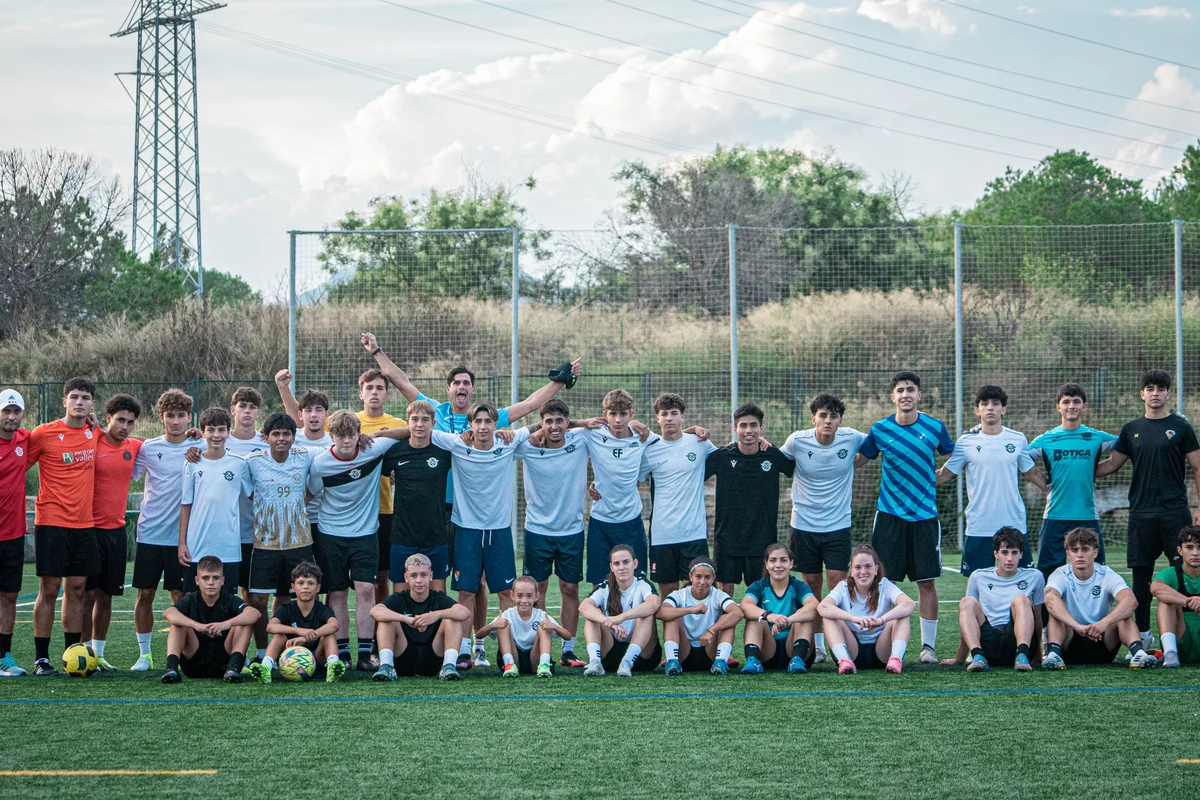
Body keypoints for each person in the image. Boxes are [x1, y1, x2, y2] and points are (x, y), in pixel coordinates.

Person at [363, 332, 579, 667]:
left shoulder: (501, 431)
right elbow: (408, 406)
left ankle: (499, 649)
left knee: (487, 586)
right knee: (457, 584)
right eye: (456, 383)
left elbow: (535, 409)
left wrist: (561, 384)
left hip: (487, 521)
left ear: (474, 391)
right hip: (446, 513)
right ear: (448, 389)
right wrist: (376, 355)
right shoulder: (439, 419)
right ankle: (450, 647)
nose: (461, 388)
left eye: (467, 383)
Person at [1096, 369, 1200, 651]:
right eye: (1150, 388)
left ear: (1168, 394)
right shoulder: (1131, 429)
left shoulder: (1181, 427)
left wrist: (1199, 506)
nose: (1155, 393)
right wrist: (1075, 471)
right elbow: (1112, 464)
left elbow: (1197, 466)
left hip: (1174, 512)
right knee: (1141, 579)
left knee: (1182, 574)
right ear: (1142, 393)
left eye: (1161, 388)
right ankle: (1143, 636)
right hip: (1141, 514)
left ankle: (1183, 638)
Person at [858, 371, 954, 665]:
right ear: (893, 397)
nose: (906, 395)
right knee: (883, 582)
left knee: (927, 583)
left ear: (919, 395)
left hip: (925, 517)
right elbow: (858, 459)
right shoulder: (880, 429)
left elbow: (956, 454)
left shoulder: (935, 427)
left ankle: (928, 648)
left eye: (911, 390)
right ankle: (880, 643)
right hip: (889, 517)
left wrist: (943, 475)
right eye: (900, 390)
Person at [425, 402, 527, 670]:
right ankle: (464, 651)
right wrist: (376, 435)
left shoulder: (508, 443)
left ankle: (503, 653)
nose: (483, 426)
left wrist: (582, 424)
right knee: (466, 592)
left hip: (499, 530)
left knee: (506, 592)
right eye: (478, 421)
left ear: (496, 425)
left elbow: (541, 425)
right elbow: (415, 427)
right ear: (470, 425)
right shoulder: (457, 443)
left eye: (488, 421)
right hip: (466, 529)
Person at [306, 409, 402, 670]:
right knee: (336, 594)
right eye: (340, 435)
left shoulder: (373, 448)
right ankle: (343, 655)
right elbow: (309, 495)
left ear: (358, 434)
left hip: (365, 534)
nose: (346, 441)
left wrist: (377, 434)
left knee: (366, 590)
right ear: (332, 436)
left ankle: (363, 655)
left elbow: (408, 431)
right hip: (331, 535)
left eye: (351, 434)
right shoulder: (321, 464)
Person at [779, 393, 867, 663]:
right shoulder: (797, 440)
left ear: (840, 420)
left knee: (838, 585)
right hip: (804, 525)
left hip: (838, 525)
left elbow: (880, 443)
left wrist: (852, 465)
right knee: (811, 586)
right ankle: (816, 647)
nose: (828, 421)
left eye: (833, 416)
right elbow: (778, 461)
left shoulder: (853, 438)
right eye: (823, 415)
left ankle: (838, 644)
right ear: (813, 418)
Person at [26, 378, 100, 677]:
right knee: (49, 589)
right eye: (74, 397)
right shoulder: (43, 433)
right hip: (52, 522)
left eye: (85, 397)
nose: (79, 402)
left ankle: (74, 655)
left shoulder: (94, 433)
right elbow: (18, 465)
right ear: (64, 402)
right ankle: (41, 659)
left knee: (78, 589)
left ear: (92, 403)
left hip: (85, 524)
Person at [937, 386, 1046, 576]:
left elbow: (1032, 473)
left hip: (1013, 524)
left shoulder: (1017, 439)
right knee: (977, 586)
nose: (990, 408)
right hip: (979, 525)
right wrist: (913, 481)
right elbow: (944, 474)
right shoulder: (965, 442)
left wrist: (1059, 488)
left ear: (1003, 409)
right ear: (977, 410)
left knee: (1023, 584)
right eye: (984, 404)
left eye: (996, 404)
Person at [129, 389, 201, 672]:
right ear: (161, 418)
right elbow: (127, 466)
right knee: (144, 595)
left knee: (179, 597)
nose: (175, 421)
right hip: (149, 534)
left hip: (182, 538)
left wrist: (201, 437)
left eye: (181, 415)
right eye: (170, 416)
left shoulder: (200, 446)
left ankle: (183, 654)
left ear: (188, 418)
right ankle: (144, 655)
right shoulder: (148, 448)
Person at [515, 399, 589, 667]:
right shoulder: (528, 444)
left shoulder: (581, 440)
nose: (554, 426)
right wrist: (533, 430)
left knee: (570, 587)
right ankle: (540, 645)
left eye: (560, 421)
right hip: (537, 529)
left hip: (571, 529)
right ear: (541, 422)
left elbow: (617, 429)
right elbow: (498, 442)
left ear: (567, 423)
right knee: (539, 588)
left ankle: (568, 650)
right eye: (548, 421)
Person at [244, 413, 317, 662]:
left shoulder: (306, 456)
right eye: (275, 434)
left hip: (300, 542)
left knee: (291, 598)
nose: (281, 438)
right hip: (266, 543)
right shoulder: (252, 461)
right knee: (257, 599)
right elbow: (247, 493)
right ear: (265, 437)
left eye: (287, 434)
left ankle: (290, 652)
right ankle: (263, 653)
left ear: (294, 437)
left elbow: (335, 452)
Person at [1026, 383, 1118, 581]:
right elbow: (1021, 458)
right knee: (1047, 574)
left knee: (1097, 573)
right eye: (1066, 402)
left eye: (1076, 402)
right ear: (1058, 407)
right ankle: (1048, 614)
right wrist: (1044, 483)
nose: (1071, 406)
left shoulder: (1096, 437)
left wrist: (1091, 472)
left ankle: (1095, 613)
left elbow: (1129, 443)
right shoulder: (1046, 439)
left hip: (1087, 516)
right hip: (1055, 516)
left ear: (1084, 406)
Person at [706, 403, 795, 597]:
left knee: (760, 592)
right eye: (743, 425)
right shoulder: (723, 456)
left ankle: (758, 627)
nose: (748, 430)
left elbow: (795, 468)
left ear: (761, 429)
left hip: (761, 539)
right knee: (725, 592)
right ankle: (725, 628)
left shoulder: (772, 454)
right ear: (735, 429)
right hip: (727, 537)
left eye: (754, 425)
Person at [84, 394, 143, 671]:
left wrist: (193, 436)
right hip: (88, 530)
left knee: (106, 597)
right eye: (120, 420)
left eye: (130, 422)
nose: (125, 426)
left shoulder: (135, 446)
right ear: (108, 418)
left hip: (116, 532)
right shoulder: (92, 441)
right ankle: (81, 653)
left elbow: (168, 445)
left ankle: (98, 654)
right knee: (86, 595)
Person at [638, 393, 717, 597]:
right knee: (668, 592)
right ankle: (672, 631)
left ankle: (701, 630)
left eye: (674, 413)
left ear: (682, 416)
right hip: (662, 533)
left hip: (694, 533)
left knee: (698, 591)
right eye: (664, 414)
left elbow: (729, 459)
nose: (669, 418)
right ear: (658, 418)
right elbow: (631, 478)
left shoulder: (699, 443)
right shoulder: (649, 450)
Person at [1042, 527, 1154, 669]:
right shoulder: (1060, 574)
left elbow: (1130, 601)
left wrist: (1104, 623)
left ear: (1095, 552)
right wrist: (1077, 626)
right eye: (1075, 550)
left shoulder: (1106, 574)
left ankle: (1138, 654)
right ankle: (1053, 655)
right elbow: (1050, 599)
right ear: (1068, 553)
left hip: (1102, 641)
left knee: (1123, 614)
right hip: (1069, 642)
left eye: (1085, 549)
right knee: (1055, 614)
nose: (1079, 555)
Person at [942, 527, 1045, 672]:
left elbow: (1037, 618)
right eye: (1004, 552)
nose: (1009, 558)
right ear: (996, 553)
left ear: (1021, 554)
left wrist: (1037, 656)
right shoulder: (978, 576)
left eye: (1014, 553)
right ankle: (977, 657)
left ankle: (1022, 656)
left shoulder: (1035, 576)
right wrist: (960, 658)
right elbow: (967, 616)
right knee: (967, 602)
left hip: (1016, 641)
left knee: (1021, 599)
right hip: (989, 642)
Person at [582, 390, 656, 585]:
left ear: (631, 414)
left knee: (637, 583)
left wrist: (695, 430)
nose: (617, 419)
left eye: (623, 414)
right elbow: (557, 426)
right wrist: (580, 423)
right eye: (613, 413)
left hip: (631, 521)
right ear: (604, 414)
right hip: (600, 521)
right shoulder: (593, 435)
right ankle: (605, 617)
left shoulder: (643, 437)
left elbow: (672, 438)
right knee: (600, 583)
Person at [381, 400, 453, 594]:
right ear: (407, 422)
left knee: (438, 595)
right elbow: (383, 473)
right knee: (401, 595)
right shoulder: (394, 452)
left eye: (425, 419)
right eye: (415, 419)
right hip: (402, 535)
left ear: (433, 423)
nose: (420, 424)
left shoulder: (444, 453)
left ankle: (436, 626)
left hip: (435, 535)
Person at [179, 408, 250, 593]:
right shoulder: (192, 463)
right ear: (203, 432)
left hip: (229, 548)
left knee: (226, 606)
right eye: (211, 430)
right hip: (197, 546)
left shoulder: (240, 463)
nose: (216, 435)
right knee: (194, 604)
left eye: (221, 430)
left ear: (228, 432)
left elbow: (253, 496)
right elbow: (186, 505)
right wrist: (182, 543)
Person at [370, 553, 472, 681]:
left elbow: (464, 612)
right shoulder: (399, 598)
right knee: (387, 619)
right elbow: (375, 611)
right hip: (403, 656)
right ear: (406, 577)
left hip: (433, 658)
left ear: (431, 576)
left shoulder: (438, 598)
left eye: (423, 575)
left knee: (452, 618)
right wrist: (406, 619)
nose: (419, 580)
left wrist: (436, 615)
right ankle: (387, 666)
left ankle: (448, 666)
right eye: (413, 575)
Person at [161, 556, 260, 683]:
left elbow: (254, 613)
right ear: (197, 580)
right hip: (193, 662)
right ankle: (171, 669)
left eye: (216, 578)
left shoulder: (229, 599)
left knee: (243, 622)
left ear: (223, 580)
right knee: (178, 623)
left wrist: (225, 624)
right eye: (205, 578)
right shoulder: (191, 599)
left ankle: (233, 668)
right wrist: (197, 626)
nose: (211, 583)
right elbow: (169, 612)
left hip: (224, 661)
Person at [819, 545, 915, 675]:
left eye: (868, 566)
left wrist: (882, 620)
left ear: (876, 569)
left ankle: (895, 659)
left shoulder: (884, 584)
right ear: (851, 570)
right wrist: (854, 618)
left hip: (882, 650)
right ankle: (844, 661)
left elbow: (909, 604)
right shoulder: (843, 586)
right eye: (858, 567)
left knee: (902, 615)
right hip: (853, 649)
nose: (863, 571)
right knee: (830, 617)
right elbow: (823, 607)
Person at [251, 560, 345, 683]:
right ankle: (266, 667)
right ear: (293, 587)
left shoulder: (322, 609)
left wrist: (308, 637)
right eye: (301, 583)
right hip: (290, 660)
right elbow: (270, 627)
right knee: (279, 636)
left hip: (317, 661)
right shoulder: (286, 608)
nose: (305, 587)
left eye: (310, 583)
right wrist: (298, 631)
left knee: (328, 636)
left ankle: (333, 667)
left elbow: (334, 625)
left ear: (318, 588)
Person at [579, 545, 662, 677]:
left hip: (643, 656)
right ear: (612, 567)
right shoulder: (605, 587)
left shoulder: (642, 584)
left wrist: (621, 618)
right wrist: (607, 621)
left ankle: (627, 662)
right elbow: (583, 607)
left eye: (626, 562)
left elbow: (653, 604)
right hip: (611, 653)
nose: (621, 567)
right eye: (617, 564)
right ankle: (595, 662)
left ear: (635, 564)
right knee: (592, 615)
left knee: (647, 614)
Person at [739, 544, 818, 674]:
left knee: (804, 618)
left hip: (793, 646)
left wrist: (789, 620)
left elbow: (813, 606)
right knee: (757, 618)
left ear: (791, 564)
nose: (778, 565)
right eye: (773, 560)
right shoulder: (759, 586)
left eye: (783, 560)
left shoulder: (798, 586)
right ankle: (753, 660)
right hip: (768, 649)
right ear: (766, 564)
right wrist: (769, 616)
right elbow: (745, 606)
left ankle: (797, 660)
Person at [476, 575, 573, 678]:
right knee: (503, 625)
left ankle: (544, 664)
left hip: (535, 658)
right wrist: (493, 625)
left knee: (544, 626)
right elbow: (479, 635)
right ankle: (509, 664)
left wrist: (554, 626)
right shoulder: (507, 614)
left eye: (529, 596)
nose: (524, 600)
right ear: (512, 596)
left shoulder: (541, 615)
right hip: (514, 656)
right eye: (520, 595)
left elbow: (568, 636)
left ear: (536, 596)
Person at [222, 387, 267, 605]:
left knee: (255, 597)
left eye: (252, 407)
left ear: (258, 412)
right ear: (233, 410)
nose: (247, 411)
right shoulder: (218, 439)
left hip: (256, 532)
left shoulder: (267, 442)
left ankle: (261, 641)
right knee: (225, 595)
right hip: (225, 531)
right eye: (243, 406)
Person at [658, 559, 742, 676]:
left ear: (713, 578)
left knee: (727, 619)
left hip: (710, 650)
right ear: (690, 577)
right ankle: (672, 661)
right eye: (698, 576)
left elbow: (738, 613)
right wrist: (691, 610)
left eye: (707, 577)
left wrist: (711, 630)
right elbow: (660, 612)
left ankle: (721, 662)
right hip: (684, 651)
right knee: (671, 617)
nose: (702, 581)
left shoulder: (718, 595)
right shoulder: (679, 594)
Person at [0, 389, 30, 677]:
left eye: (15, 412)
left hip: (12, 534)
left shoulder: (25, 439)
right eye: (6, 412)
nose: (11, 417)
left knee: (9, 596)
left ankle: (3, 657)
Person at [1151, 526, 1200, 668]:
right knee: (1166, 601)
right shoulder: (1171, 573)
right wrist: (1188, 601)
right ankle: (1170, 653)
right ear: (1180, 550)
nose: (1195, 553)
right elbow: (1156, 588)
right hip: (1181, 636)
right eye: (1189, 547)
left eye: (1199, 547)